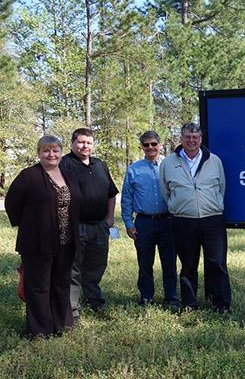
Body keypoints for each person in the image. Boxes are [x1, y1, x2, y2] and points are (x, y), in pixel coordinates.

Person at [5, 136, 82, 337]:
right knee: (38, 287)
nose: (51, 154)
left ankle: (61, 325)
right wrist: (31, 224)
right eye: (46, 151)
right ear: (39, 153)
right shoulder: (28, 176)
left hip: (66, 241)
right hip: (37, 242)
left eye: (55, 150)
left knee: (61, 284)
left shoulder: (68, 174)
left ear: (61, 152)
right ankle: (40, 330)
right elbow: (12, 204)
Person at [159, 122, 231, 312]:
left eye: (195, 137)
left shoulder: (214, 160)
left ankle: (220, 303)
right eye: (187, 137)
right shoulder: (168, 163)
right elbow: (165, 191)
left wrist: (212, 204)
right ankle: (189, 303)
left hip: (212, 218)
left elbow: (221, 187)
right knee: (188, 263)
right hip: (183, 220)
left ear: (201, 139)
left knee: (217, 263)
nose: (191, 141)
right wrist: (180, 206)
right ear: (181, 139)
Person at [60, 127, 119, 318]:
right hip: (75, 226)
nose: (85, 145)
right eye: (81, 142)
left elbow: (111, 194)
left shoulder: (100, 165)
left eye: (89, 142)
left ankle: (94, 300)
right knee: (73, 268)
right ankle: (72, 309)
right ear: (72, 143)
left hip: (99, 226)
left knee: (96, 265)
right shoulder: (64, 165)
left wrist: (109, 219)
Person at [121, 131, 178, 309]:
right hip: (144, 222)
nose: (150, 147)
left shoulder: (170, 166)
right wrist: (129, 223)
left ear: (159, 145)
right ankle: (146, 297)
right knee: (145, 263)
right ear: (142, 147)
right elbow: (127, 198)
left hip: (167, 221)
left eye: (154, 144)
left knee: (169, 262)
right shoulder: (134, 169)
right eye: (146, 145)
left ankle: (172, 298)